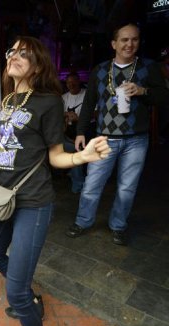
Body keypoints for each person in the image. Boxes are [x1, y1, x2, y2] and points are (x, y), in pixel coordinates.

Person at [0, 36, 110, 326]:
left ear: (38, 65)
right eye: (12, 52)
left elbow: (53, 154)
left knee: (15, 291)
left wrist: (81, 157)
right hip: (4, 196)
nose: (15, 57)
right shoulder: (6, 99)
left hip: (33, 202)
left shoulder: (48, 102)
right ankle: (32, 299)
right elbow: (13, 143)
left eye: (25, 54)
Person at [66, 22, 169, 246]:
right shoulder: (100, 70)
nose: (129, 44)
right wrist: (81, 131)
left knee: (127, 187)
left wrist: (144, 91)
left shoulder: (148, 68)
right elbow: (88, 102)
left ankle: (118, 225)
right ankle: (83, 221)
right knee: (92, 183)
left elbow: (163, 97)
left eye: (134, 39)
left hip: (136, 140)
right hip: (104, 138)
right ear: (114, 43)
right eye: (124, 39)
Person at [61, 72, 87, 193]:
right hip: (67, 131)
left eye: (74, 82)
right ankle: (75, 176)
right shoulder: (63, 97)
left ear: (79, 82)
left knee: (76, 150)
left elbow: (97, 113)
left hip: (85, 129)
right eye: (68, 82)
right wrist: (66, 115)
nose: (71, 84)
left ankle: (78, 183)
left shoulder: (86, 94)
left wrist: (79, 118)